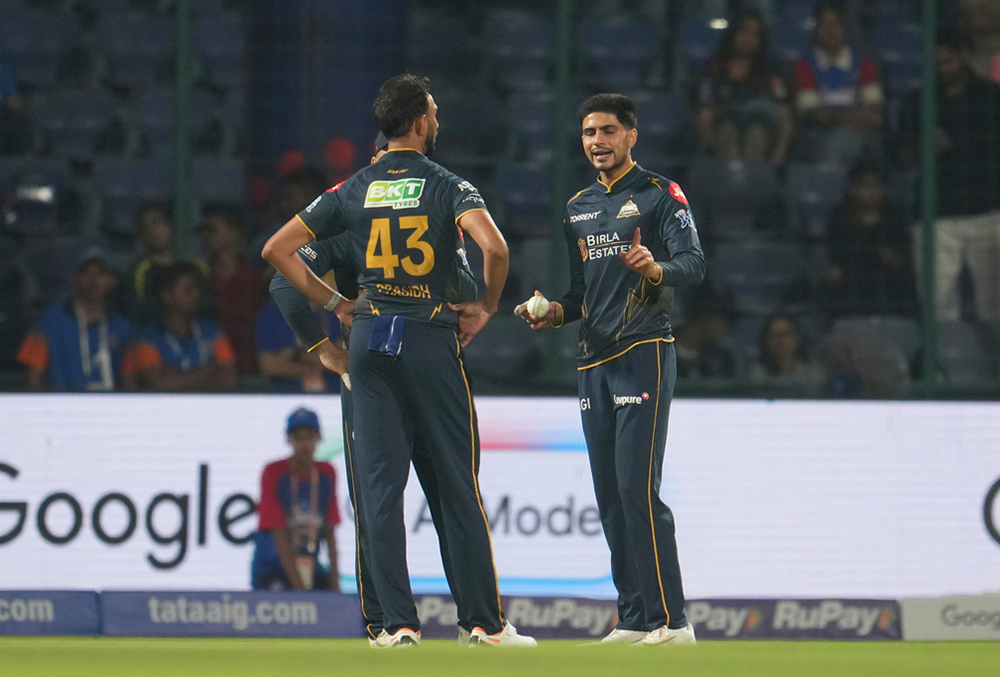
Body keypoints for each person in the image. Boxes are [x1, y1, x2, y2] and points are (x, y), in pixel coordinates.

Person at [262, 74, 534, 647]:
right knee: (457, 485)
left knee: (379, 493)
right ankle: (482, 625)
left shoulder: (351, 190)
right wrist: (485, 307)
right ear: (418, 122)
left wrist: (335, 314)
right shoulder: (446, 185)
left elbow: (275, 253)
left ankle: (395, 627)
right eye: (433, 112)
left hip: (370, 338)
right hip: (429, 337)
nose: (437, 121)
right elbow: (497, 249)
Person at [516, 93, 704, 645]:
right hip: (591, 361)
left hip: (643, 352)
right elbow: (580, 296)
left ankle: (674, 622)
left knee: (637, 488)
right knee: (609, 494)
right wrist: (552, 312)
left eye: (607, 131)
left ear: (631, 136)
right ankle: (635, 617)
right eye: (588, 132)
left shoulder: (659, 194)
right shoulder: (576, 207)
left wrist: (656, 267)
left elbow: (693, 265)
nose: (596, 141)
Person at [898, 35, 1000, 323]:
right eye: (937, 61)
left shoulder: (991, 97)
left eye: (949, 59)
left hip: (989, 211)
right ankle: (942, 368)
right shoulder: (918, 100)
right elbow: (901, 152)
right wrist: (921, 147)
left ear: (963, 56)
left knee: (996, 308)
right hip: (936, 214)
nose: (943, 66)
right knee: (937, 311)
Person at [17, 246, 133, 391]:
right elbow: (31, 381)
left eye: (101, 273)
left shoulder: (122, 327)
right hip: (60, 409)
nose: (93, 280)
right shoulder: (49, 321)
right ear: (73, 278)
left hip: (109, 410)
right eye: (85, 272)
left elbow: (130, 383)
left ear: (112, 280)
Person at [251, 407, 341, 591]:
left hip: (309, 567)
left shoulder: (326, 473)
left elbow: (330, 534)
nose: (304, 444)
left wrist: (336, 587)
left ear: (318, 438)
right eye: (298, 437)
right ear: (289, 440)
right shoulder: (274, 473)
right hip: (273, 567)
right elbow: (279, 534)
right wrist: (301, 592)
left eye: (309, 436)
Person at [694, 9, 794, 166]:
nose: (748, 38)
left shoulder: (769, 72)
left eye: (755, 34)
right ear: (734, 34)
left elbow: (781, 105)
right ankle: (726, 180)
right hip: (723, 130)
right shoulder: (716, 68)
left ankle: (767, 179)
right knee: (727, 132)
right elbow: (705, 104)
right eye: (744, 31)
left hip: (760, 132)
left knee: (757, 135)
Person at [818, 162, 917, 319]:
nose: (872, 191)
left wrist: (895, 259)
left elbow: (904, 263)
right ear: (852, 189)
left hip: (888, 295)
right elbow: (835, 262)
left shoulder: (895, 219)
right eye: (865, 185)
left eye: (877, 185)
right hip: (851, 292)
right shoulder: (838, 219)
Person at [791, 1, 884, 165]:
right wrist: (848, 119)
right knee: (839, 141)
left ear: (844, 28)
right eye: (824, 25)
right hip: (819, 133)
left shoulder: (862, 63)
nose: (830, 30)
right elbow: (811, 110)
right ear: (816, 30)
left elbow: (873, 104)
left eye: (835, 24)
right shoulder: (805, 65)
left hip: (859, 132)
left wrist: (857, 119)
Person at [128, 261, 238, 392]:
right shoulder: (147, 339)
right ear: (167, 296)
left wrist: (177, 377)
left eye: (197, 289)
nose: (196, 295)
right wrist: (210, 369)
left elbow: (230, 380)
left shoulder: (213, 331)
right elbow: (159, 385)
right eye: (187, 290)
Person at [197, 204, 266, 377]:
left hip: (251, 364)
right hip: (210, 367)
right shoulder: (200, 277)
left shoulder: (255, 277)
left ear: (233, 232)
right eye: (203, 231)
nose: (206, 237)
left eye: (212, 230)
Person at [747, 312, 825, 397]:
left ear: (797, 338)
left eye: (787, 334)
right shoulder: (756, 376)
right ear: (767, 341)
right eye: (776, 335)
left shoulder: (813, 375)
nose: (782, 340)